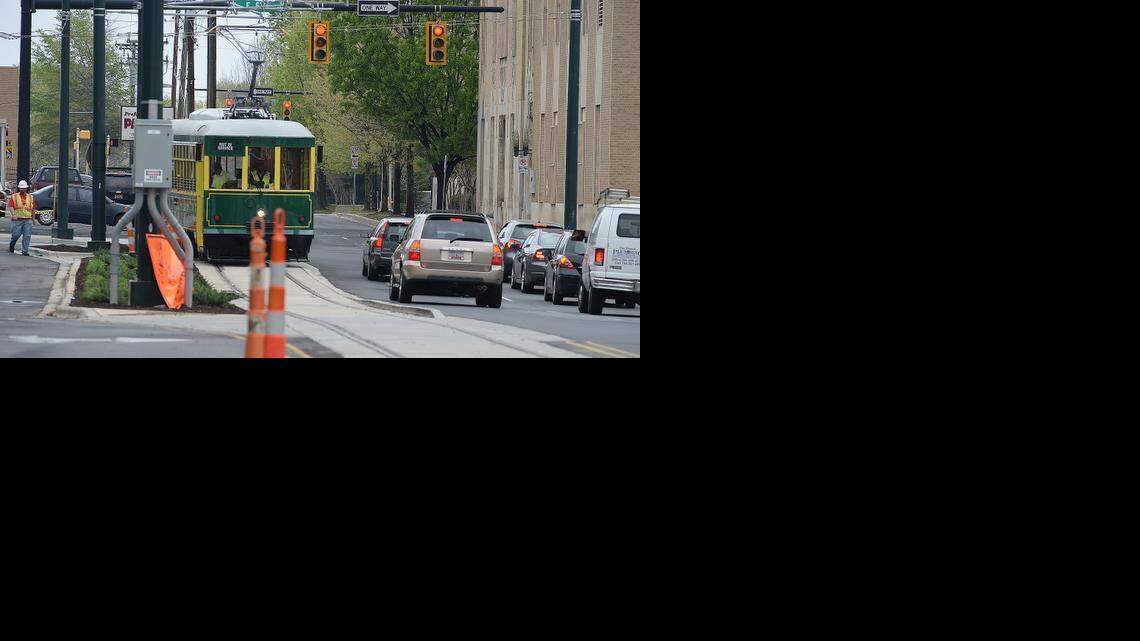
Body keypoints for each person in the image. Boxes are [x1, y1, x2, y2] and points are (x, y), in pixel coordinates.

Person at [8, 180, 35, 256]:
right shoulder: (14, 196)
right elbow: (11, 206)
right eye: (21, 188)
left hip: (27, 220)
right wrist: (13, 214)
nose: (22, 189)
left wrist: (33, 219)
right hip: (17, 220)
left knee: (27, 236)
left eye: (24, 188)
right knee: (15, 235)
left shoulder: (31, 197)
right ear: (19, 188)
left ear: (26, 188)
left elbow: (33, 209)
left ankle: (25, 251)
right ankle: (12, 244)